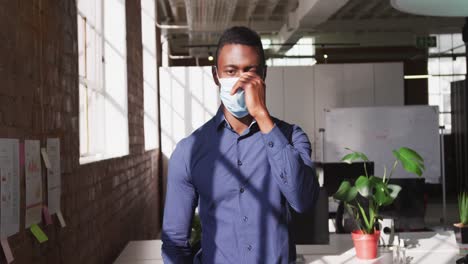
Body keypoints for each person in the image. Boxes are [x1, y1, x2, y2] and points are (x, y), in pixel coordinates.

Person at [161, 26, 319, 264]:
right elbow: (174, 241)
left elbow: (304, 201)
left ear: (263, 75)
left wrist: (262, 116)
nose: (240, 80)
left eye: (249, 71)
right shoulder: (189, 150)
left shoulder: (292, 137)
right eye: (231, 71)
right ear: (216, 76)